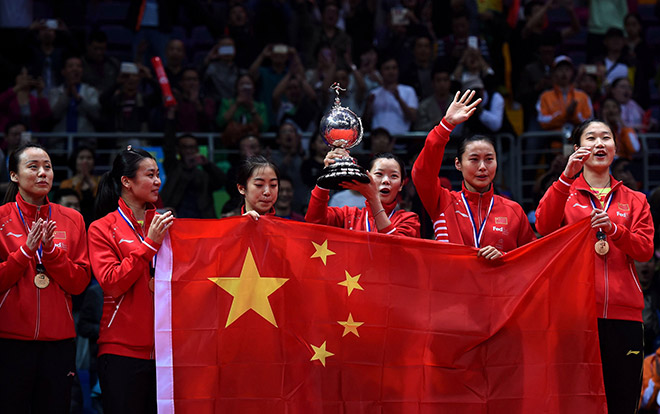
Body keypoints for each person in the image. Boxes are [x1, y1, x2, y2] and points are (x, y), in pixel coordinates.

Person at [535, 119, 655, 414]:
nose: (600, 143)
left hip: (623, 314)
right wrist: (565, 177)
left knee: (622, 403)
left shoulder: (636, 200)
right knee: (575, 401)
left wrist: (616, 230)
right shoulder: (566, 193)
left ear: (615, 148)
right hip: (575, 313)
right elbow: (543, 226)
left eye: (606, 137)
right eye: (591, 138)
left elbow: (644, 250)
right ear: (577, 150)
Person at [0, 143, 90, 412]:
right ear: (14, 176)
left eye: (47, 167)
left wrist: (50, 253)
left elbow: (79, 283)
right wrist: (26, 251)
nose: (43, 173)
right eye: (33, 167)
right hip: (10, 340)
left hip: (58, 343)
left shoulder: (72, 219)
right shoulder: (1, 219)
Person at [87, 147, 175, 414]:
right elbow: (112, 281)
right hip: (121, 351)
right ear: (126, 181)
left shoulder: (167, 224)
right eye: (150, 175)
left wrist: (246, 223)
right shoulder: (102, 228)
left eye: (158, 174)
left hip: (166, 351)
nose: (158, 181)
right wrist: (149, 245)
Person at [412, 90, 536, 256]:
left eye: (489, 159)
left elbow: (533, 259)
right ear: (458, 164)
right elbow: (422, 174)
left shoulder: (513, 211)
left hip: (497, 282)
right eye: (474, 159)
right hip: (453, 282)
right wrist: (446, 125)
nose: (483, 167)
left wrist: (506, 258)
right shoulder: (442, 202)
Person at [305, 152, 420, 237]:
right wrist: (324, 182)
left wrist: (373, 199)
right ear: (368, 177)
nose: (386, 180)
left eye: (394, 176)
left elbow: (396, 247)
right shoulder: (349, 215)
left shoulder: (409, 220)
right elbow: (314, 220)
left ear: (401, 185)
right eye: (379, 174)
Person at [59, 146, 100, 226]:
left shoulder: (100, 181)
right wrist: (79, 180)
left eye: (89, 158)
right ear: (75, 161)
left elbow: (102, 201)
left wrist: (88, 178)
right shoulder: (66, 183)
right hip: (72, 222)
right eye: (81, 158)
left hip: (96, 221)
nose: (85, 161)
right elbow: (65, 204)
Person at [237, 155, 279, 221]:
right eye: (259, 185)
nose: (267, 192)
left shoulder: (287, 228)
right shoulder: (229, 227)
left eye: (273, 185)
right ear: (241, 188)